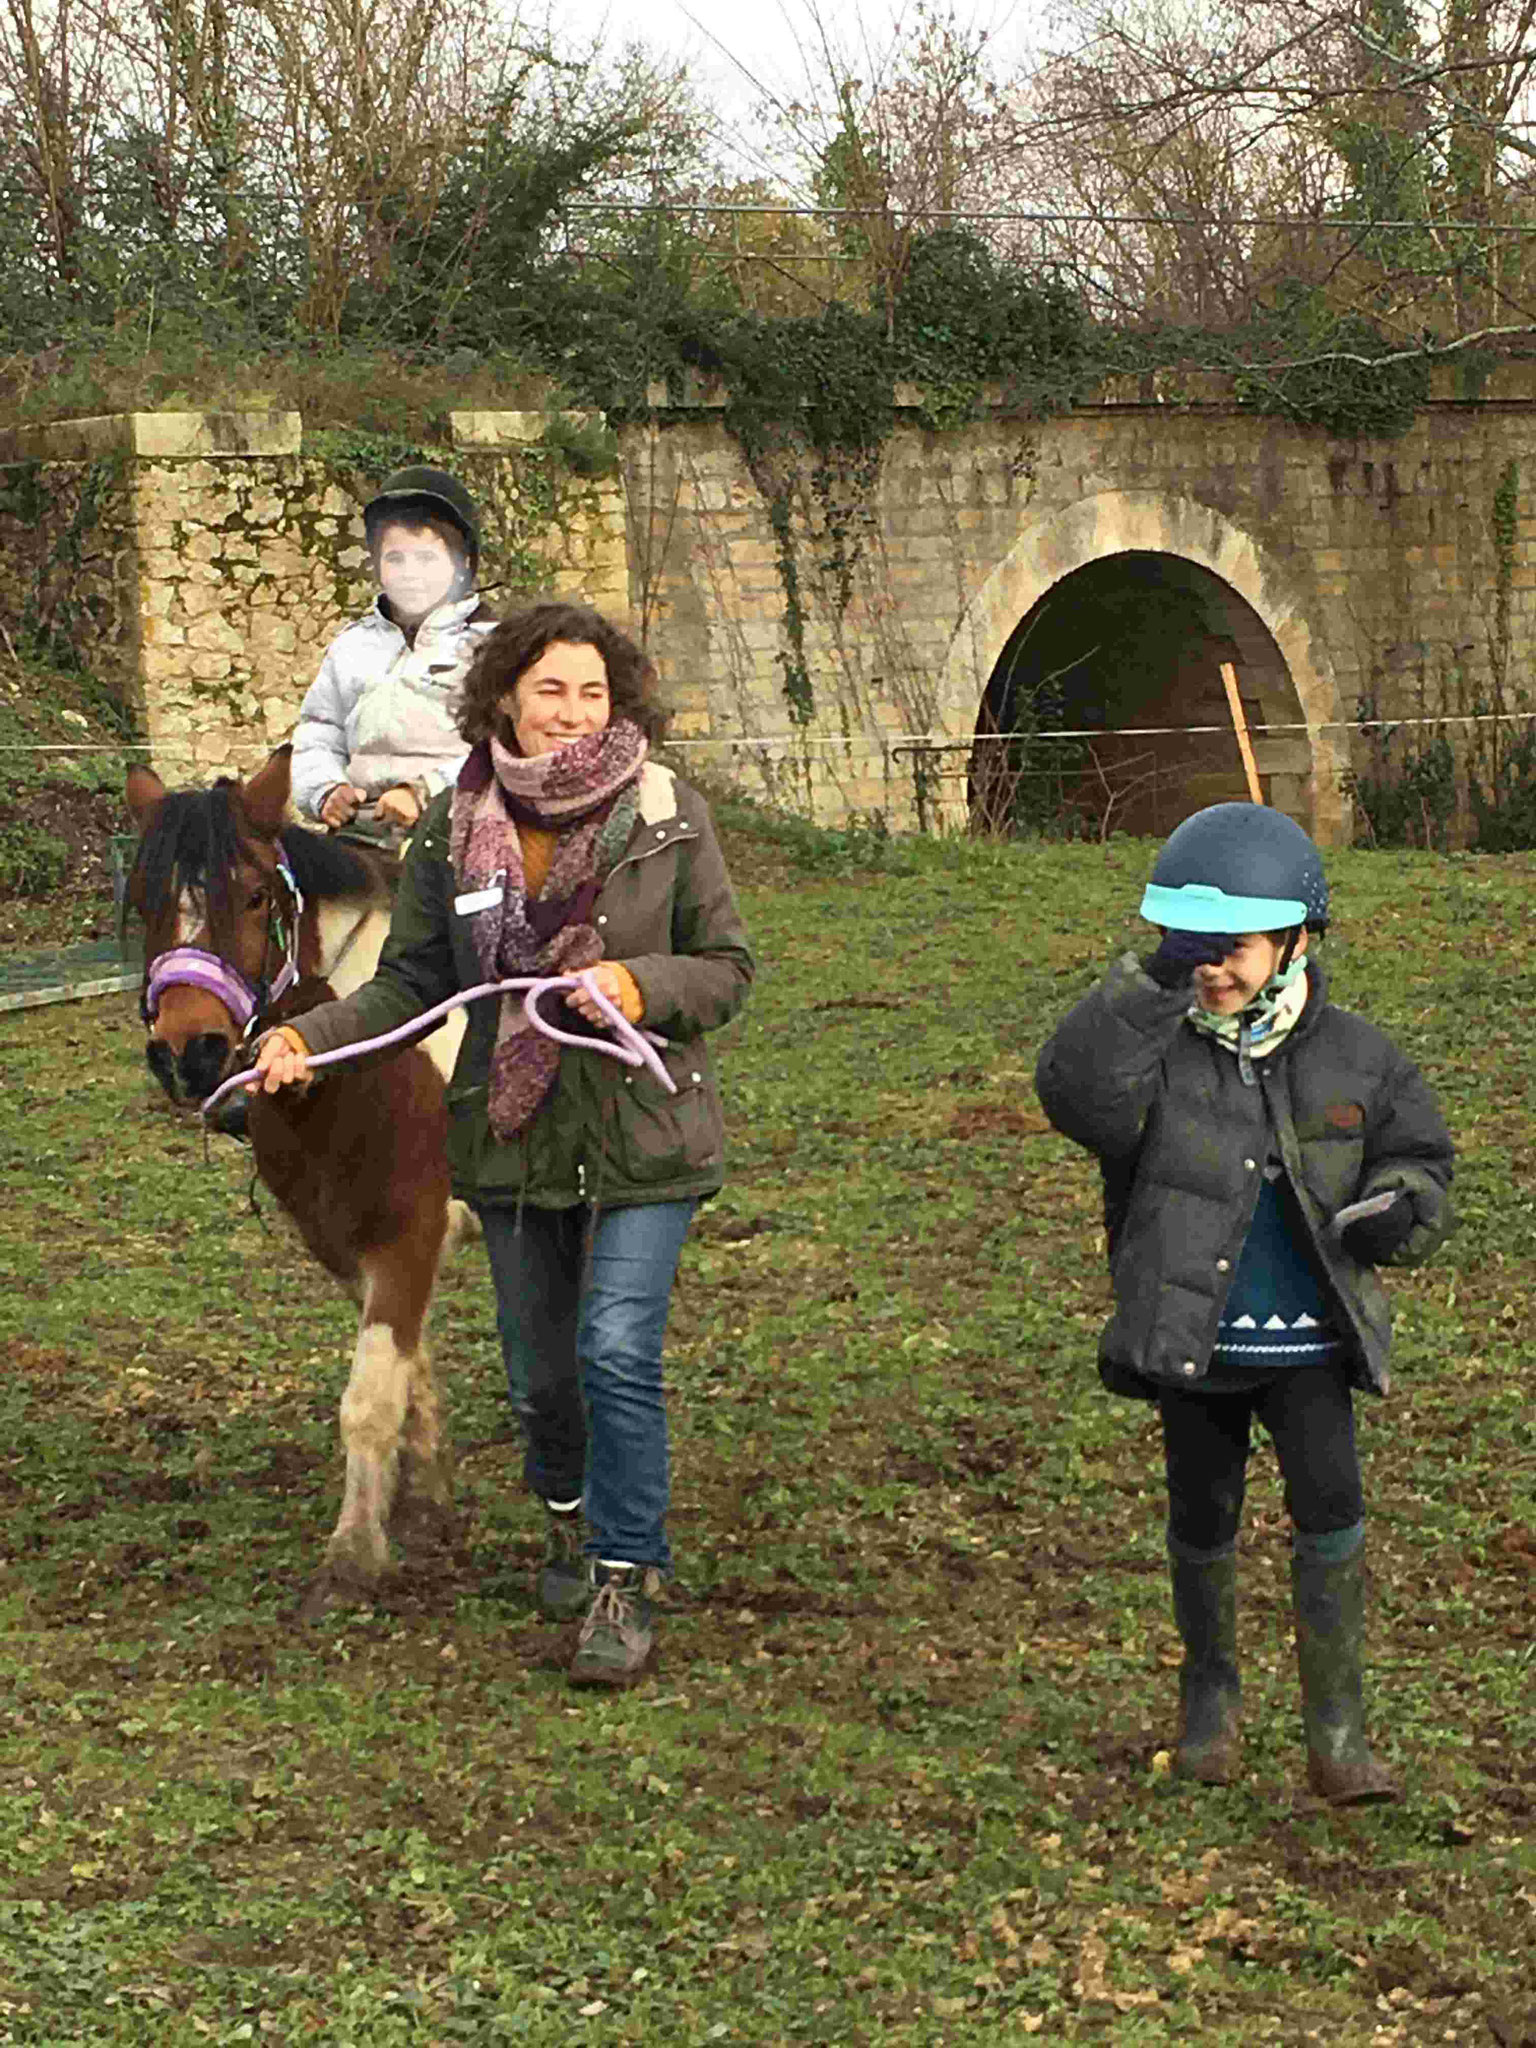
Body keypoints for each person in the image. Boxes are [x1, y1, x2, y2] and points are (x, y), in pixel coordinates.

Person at [251, 599, 754, 1687]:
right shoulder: (453, 825)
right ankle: (569, 1519)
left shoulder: (667, 812)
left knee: (616, 1349)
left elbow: (727, 968)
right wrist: (304, 1034)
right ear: (506, 703)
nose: (573, 714)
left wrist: (639, 981)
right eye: (549, 691)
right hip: (516, 1142)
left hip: (643, 1134)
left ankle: (624, 1574)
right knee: (538, 1382)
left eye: (593, 692)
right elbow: (410, 984)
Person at [1034, 804, 1453, 1805]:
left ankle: (1338, 1735)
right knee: (1203, 1513)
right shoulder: (1156, 1049)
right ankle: (1209, 1706)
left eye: (1236, 948)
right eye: (1198, 949)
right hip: (1196, 1342)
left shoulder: (1358, 1053)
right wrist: (1145, 983)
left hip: (1310, 1349)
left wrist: (1406, 1210)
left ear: (1297, 941)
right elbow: (1075, 1093)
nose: (1214, 969)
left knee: (1332, 1511)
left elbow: (1421, 1154)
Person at [290, 466, 495, 832]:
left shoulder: (490, 645)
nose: (410, 573)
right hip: (360, 828)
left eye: (427, 559)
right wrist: (325, 790)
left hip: (457, 825)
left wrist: (422, 791)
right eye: (395, 559)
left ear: (463, 562)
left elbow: (501, 747)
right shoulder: (352, 645)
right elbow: (320, 731)